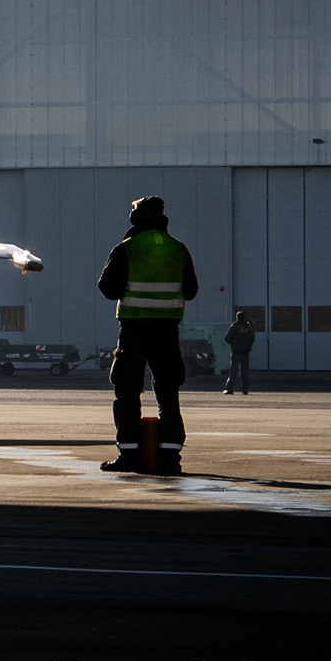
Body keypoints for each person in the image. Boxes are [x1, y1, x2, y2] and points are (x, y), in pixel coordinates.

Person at [96, 195, 199, 474]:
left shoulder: (127, 248)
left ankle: (130, 454)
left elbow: (107, 288)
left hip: (134, 328)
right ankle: (169, 458)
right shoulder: (179, 248)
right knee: (168, 393)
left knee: (127, 390)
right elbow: (191, 290)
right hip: (167, 330)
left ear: (137, 216)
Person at [222, 311, 256, 395]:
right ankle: (245, 390)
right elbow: (252, 338)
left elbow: (227, 338)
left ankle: (230, 389)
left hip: (236, 352)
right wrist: (248, 347)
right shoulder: (248, 327)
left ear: (237, 317)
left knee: (233, 371)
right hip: (245, 352)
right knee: (245, 372)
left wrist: (234, 343)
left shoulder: (234, 327)